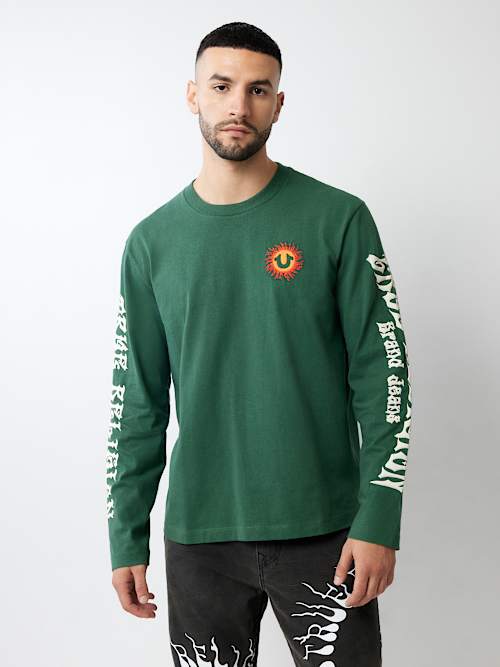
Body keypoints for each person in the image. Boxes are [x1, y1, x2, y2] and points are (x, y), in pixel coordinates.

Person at [105, 21, 412, 667]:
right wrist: (125, 533)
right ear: (194, 95)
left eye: (258, 89)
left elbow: (384, 376)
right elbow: (137, 402)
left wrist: (379, 516)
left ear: (279, 103)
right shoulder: (151, 243)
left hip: (327, 533)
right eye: (221, 87)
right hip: (200, 540)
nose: (238, 106)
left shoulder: (338, 219)